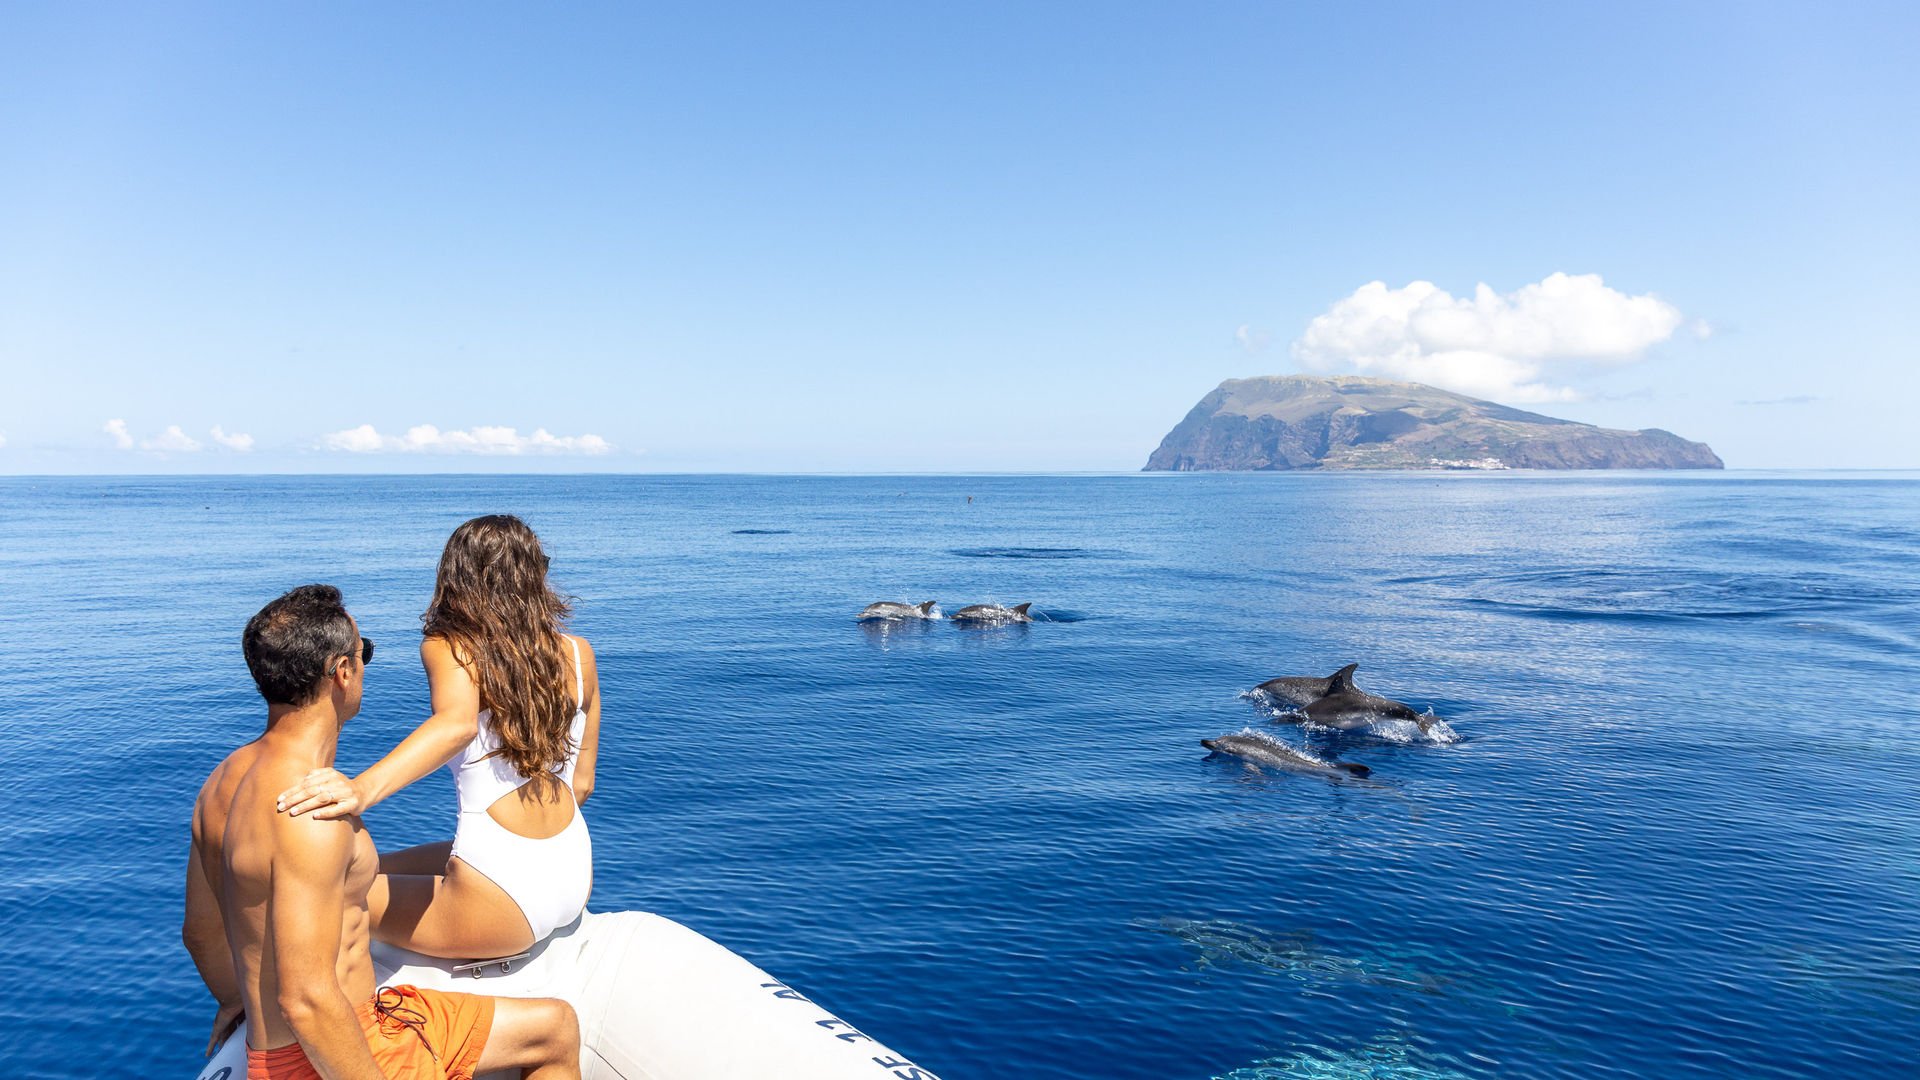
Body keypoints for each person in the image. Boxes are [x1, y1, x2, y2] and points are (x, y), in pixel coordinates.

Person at [183, 583, 580, 1079]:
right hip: (342, 1050)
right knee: (556, 1030)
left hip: (275, 1053)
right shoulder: (313, 809)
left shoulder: (220, 783)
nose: (365, 663)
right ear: (342, 673)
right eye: (363, 651)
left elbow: (200, 933)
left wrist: (233, 1001)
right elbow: (306, 1000)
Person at [274, 515, 600, 959]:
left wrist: (360, 789)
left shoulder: (450, 647)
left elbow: (457, 724)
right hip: (573, 871)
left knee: (317, 895)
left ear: (457, 576)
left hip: (505, 908)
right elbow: (581, 785)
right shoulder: (580, 655)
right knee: (366, 868)